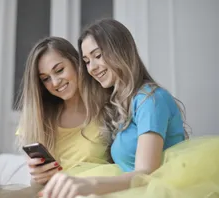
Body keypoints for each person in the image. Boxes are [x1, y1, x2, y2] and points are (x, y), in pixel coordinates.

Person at [41, 19, 219, 198]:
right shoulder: (120, 105)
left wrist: (89, 184)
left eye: (98, 55)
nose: (92, 68)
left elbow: (145, 174)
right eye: (87, 61)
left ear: (119, 51)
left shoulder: (151, 99)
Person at [15, 36, 120, 187]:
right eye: (45, 79)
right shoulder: (37, 120)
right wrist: (37, 178)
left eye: (59, 70)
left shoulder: (108, 107)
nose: (55, 82)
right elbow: (38, 185)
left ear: (76, 62)